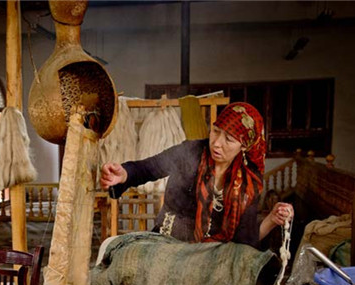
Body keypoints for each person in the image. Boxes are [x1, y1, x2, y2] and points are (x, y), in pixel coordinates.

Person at [100, 102, 293, 248]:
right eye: (216, 131)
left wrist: (272, 219)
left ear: (244, 146)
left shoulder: (248, 181)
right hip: (166, 245)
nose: (216, 143)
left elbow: (244, 241)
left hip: (211, 255)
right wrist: (124, 174)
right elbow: (149, 167)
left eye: (228, 139)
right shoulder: (192, 151)